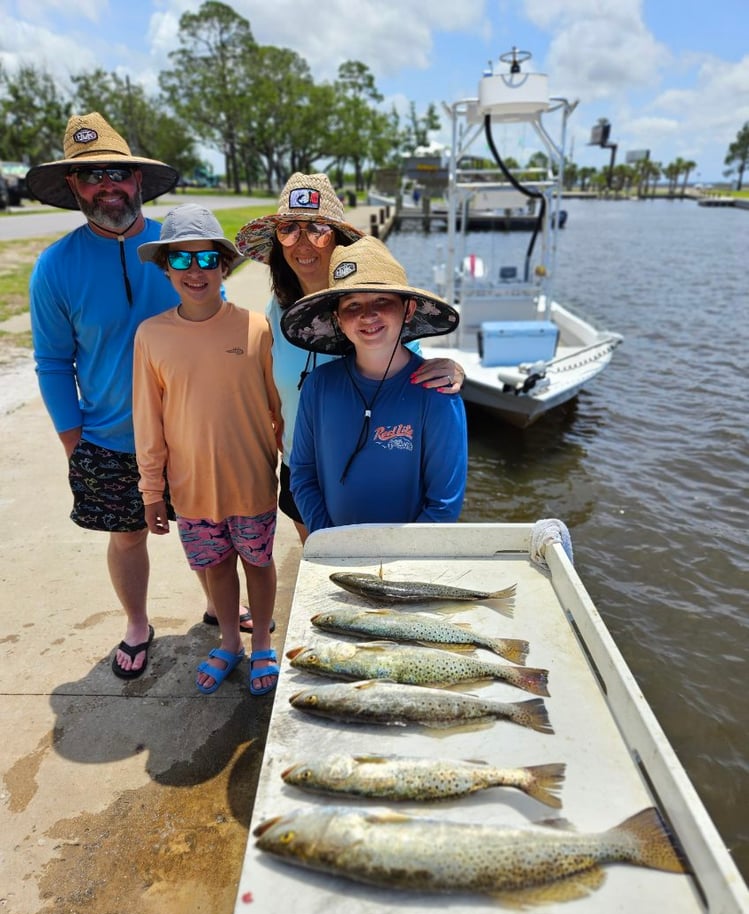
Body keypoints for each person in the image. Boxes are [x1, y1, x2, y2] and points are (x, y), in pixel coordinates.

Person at [27, 112, 255, 681]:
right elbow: (54, 362)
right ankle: (136, 623)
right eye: (92, 176)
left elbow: (226, 326)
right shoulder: (55, 267)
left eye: (118, 173)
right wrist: (73, 441)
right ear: (75, 188)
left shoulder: (180, 248)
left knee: (211, 532)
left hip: (194, 430)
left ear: (138, 181)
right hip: (108, 436)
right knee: (127, 537)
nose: (108, 185)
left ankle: (217, 606)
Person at [235, 172, 464, 543]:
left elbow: (410, 368)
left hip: (378, 470)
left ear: (338, 239)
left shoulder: (378, 312)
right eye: (289, 229)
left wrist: (453, 371)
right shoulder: (275, 310)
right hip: (301, 464)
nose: (303, 242)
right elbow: (275, 380)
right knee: (320, 559)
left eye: (318, 230)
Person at [133, 205, 282, 695]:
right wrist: (152, 490)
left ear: (224, 265)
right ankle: (228, 641)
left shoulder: (256, 328)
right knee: (214, 567)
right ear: (165, 268)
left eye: (205, 259)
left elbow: (277, 409)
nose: (195, 271)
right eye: (181, 260)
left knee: (258, 563)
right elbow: (148, 421)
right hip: (192, 489)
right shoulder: (151, 336)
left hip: (252, 482)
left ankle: (260, 641)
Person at [281, 236, 468, 532]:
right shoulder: (318, 387)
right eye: (353, 305)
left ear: (407, 310)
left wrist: (400, 562)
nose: (368, 315)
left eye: (382, 300)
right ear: (338, 319)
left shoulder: (438, 394)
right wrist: (329, 540)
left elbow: (444, 503)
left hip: (408, 561)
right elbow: (304, 474)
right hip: (334, 548)